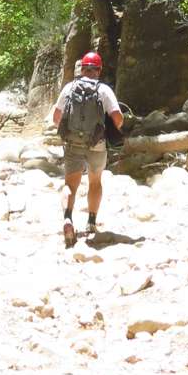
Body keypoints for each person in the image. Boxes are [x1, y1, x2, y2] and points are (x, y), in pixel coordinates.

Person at [52, 50, 124, 248]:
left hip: (73, 143)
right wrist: (112, 128)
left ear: (82, 69)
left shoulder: (69, 88)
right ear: (98, 70)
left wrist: (68, 132)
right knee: (95, 181)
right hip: (97, 145)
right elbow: (118, 117)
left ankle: (68, 218)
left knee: (70, 184)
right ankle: (91, 222)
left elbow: (56, 117)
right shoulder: (104, 90)